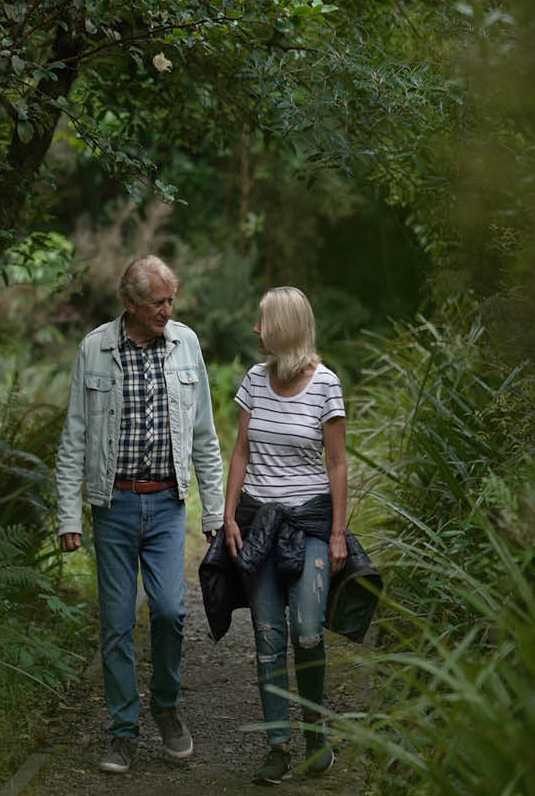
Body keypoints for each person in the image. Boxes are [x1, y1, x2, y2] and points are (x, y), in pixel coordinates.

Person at [53, 255, 225, 774]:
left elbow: (205, 436)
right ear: (130, 304)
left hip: (169, 504)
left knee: (171, 611)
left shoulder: (186, 344)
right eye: (158, 302)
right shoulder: (95, 349)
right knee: (116, 621)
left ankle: (166, 707)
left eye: (172, 299)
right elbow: (75, 437)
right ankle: (123, 729)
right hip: (114, 504)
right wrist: (69, 517)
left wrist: (213, 511)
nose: (167, 311)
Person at [220, 286, 346, 784]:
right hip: (260, 524)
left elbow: (336, 463)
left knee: (308, 629)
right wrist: (230, 517)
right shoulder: (254, 379)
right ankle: (278, 744)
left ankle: (316, 734)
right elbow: (241, 453)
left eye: (263, 322)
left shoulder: (326, 385)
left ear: (285, 329)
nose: (255, 330)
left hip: (311, 522)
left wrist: (338, 532)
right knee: (268, 637)